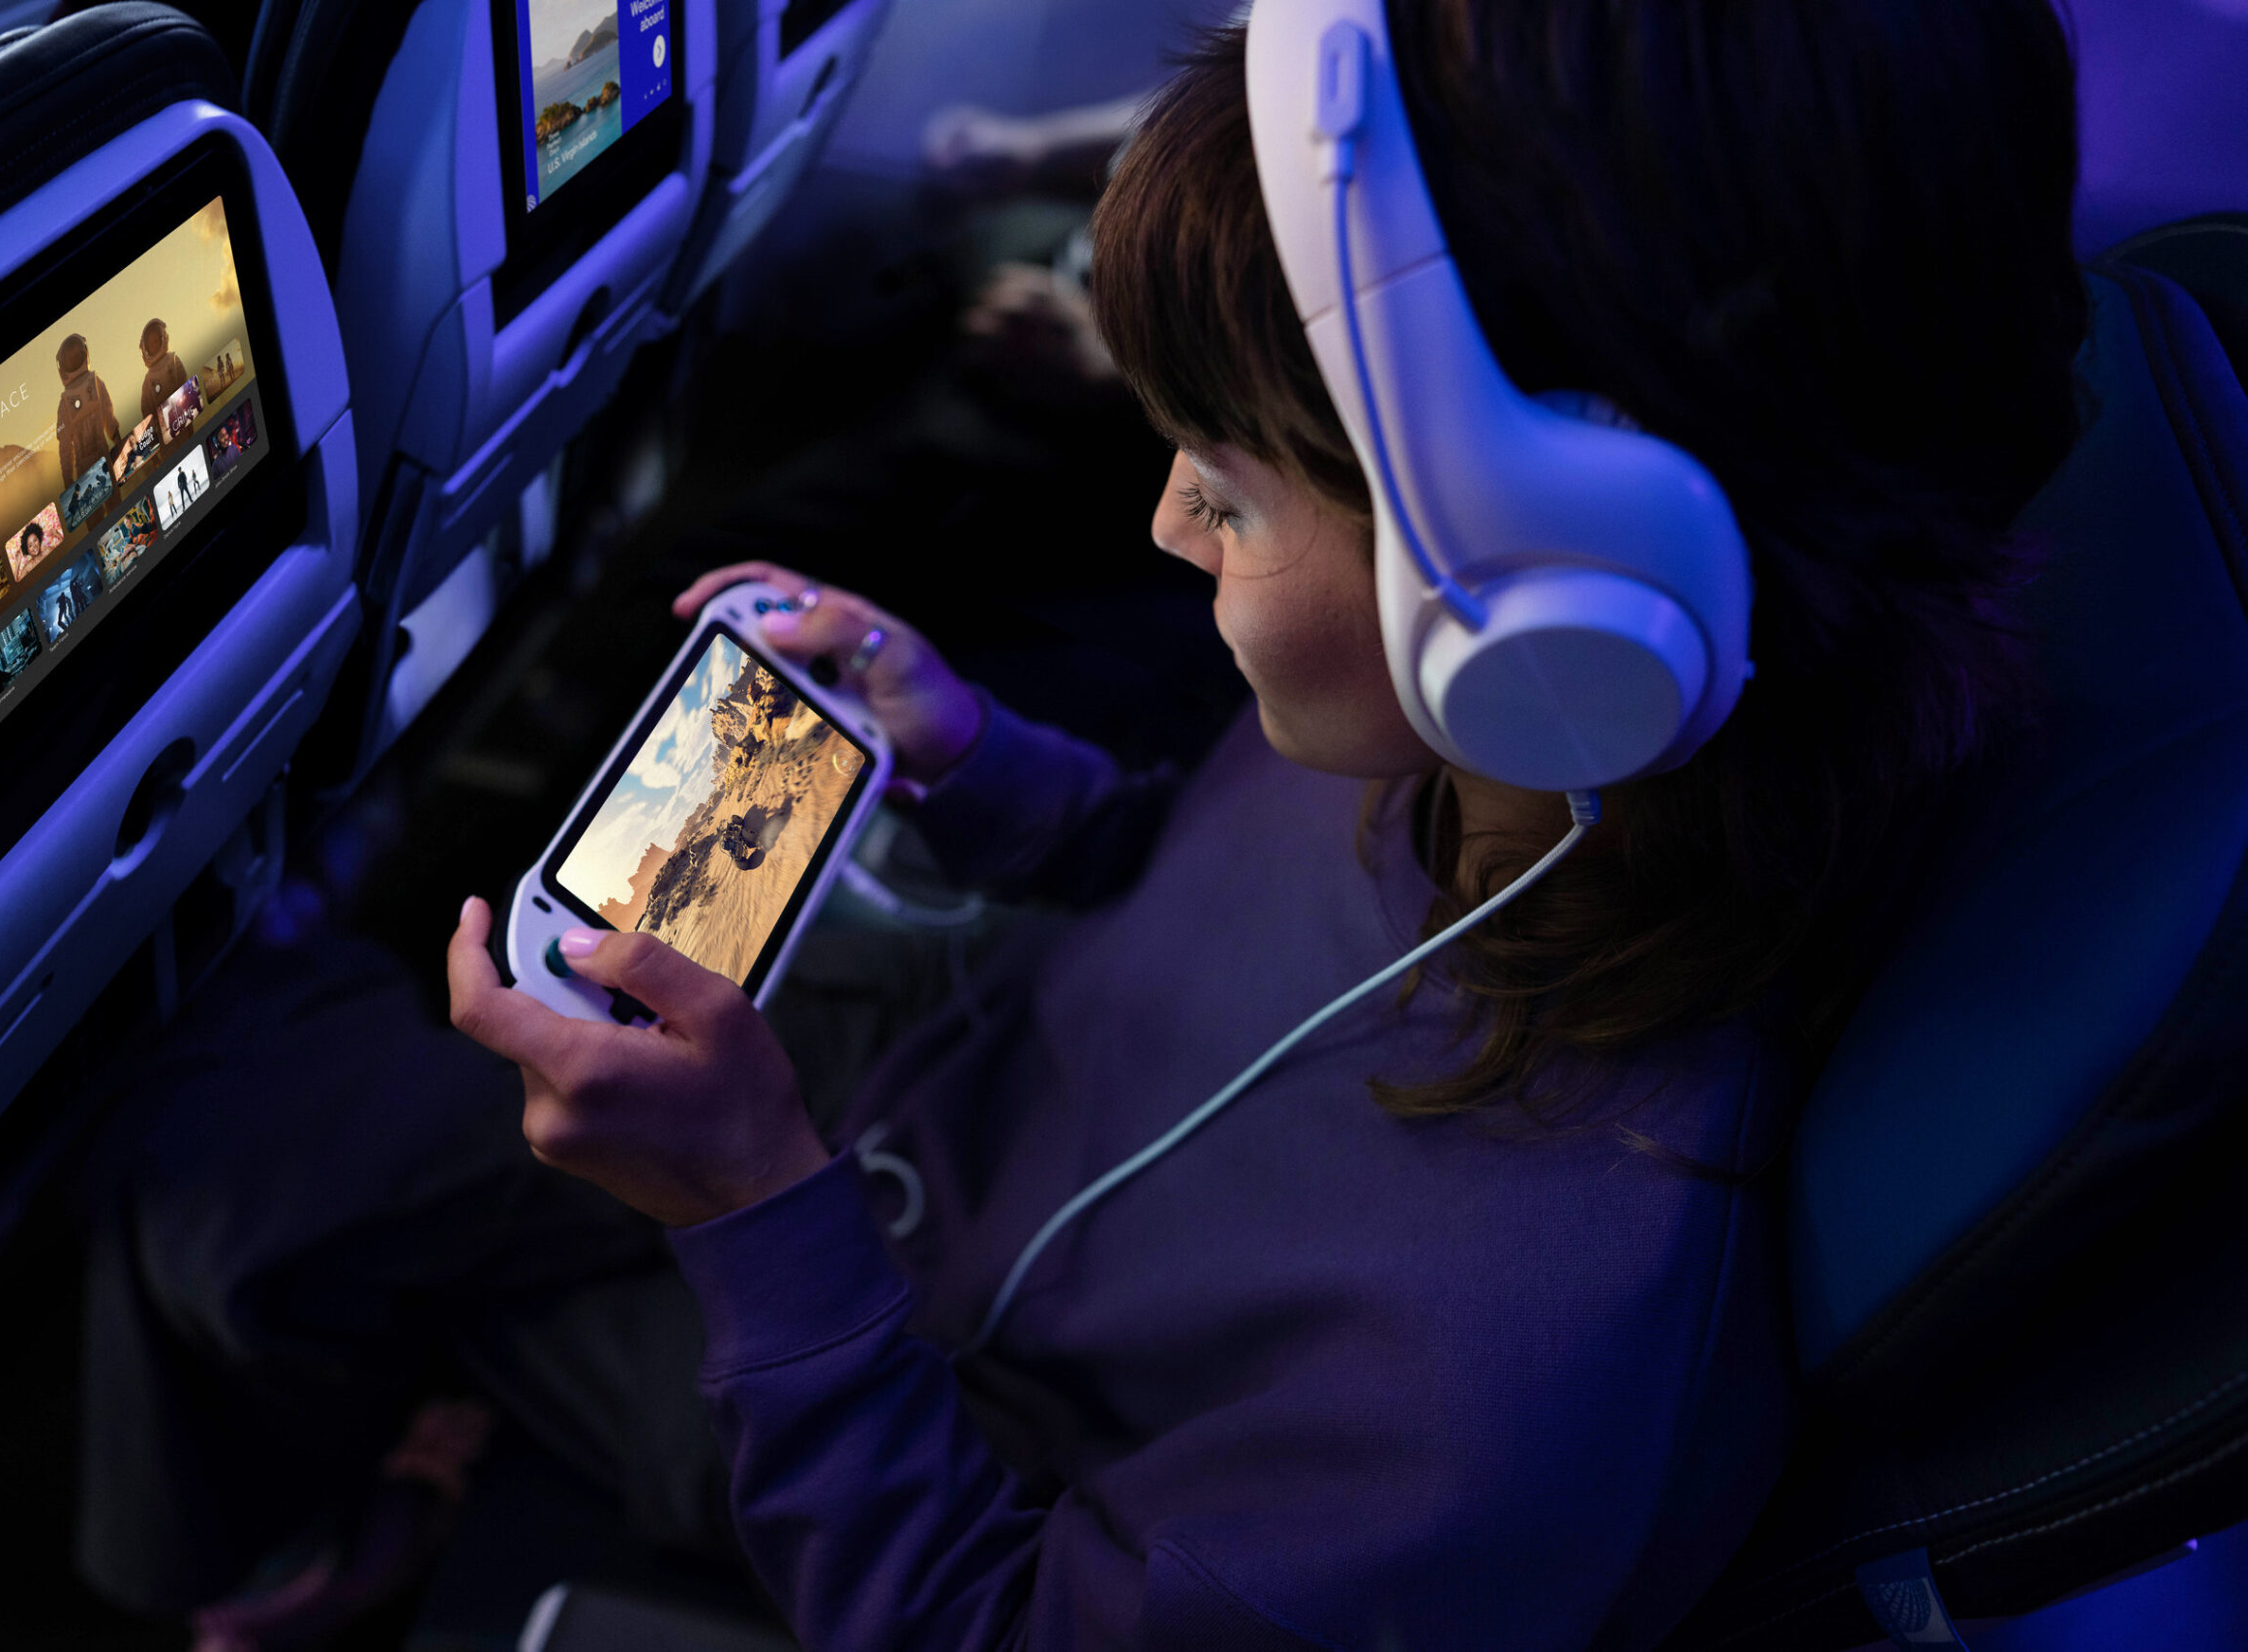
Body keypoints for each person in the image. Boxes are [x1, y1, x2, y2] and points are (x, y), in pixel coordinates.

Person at [433, 3, 2083, 1646]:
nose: (1165, 525)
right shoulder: (1508, 735)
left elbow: (987, 1619)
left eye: (1224, 489)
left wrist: (752, 1208)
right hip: (934, 1134)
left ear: (1542, 595)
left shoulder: (1499, 1399)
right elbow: (1184, 882)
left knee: (242, 1167)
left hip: (893, 1398)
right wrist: (970, 752)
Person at [55, 333, 121, 486]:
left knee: (114, 501)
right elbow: (65, 446)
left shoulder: (95, 383)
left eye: (78, 355)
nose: (75, 359)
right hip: (84, 467)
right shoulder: (65, 403)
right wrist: (67, 477)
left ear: (85, 353)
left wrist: (118, 440)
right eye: (70, 358)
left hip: (102, 455)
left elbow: (108, 416)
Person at [140, 316, 190, 426]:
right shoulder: (149, 379)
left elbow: (183, 380)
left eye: (156, 341)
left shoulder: (172, 360)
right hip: (164, 425)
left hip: (183, 412)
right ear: (146, 349)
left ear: (163, 338)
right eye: (151, 344)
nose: (154, 345)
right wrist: (153, 424)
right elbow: (146, 408)